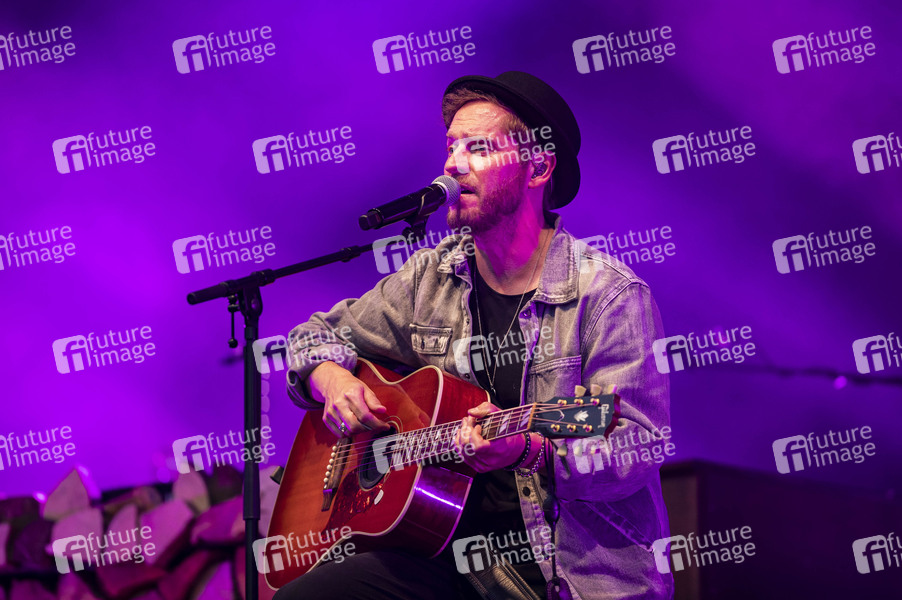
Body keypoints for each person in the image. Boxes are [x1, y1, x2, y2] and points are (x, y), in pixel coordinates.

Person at [276, 71, 673, 600]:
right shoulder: (431, 277)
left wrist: (530, 450)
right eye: (451, 147)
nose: (452, 164)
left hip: (568, 575)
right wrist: (331, 379)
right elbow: (312, 336)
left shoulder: (609, 295)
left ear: (538, 168)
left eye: (478, 148)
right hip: (443, 553)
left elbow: (638, 445)